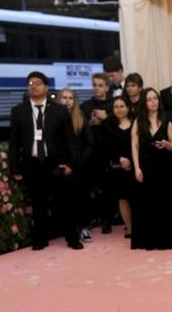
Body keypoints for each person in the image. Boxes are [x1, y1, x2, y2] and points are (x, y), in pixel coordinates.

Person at [9, 72, 79, 250]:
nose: (33, 86)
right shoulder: (18, 111)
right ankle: (40, 239)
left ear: (46, 87)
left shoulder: (59, 110)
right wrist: (15, 168)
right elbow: (14, 143)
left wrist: (71, 164)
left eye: (38, 83)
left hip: (55, 164)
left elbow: (69, 140)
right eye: (30, 83)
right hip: (32, 164)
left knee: (63, 203)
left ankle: (72, 239)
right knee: (37, 204)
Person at [131, 88, 172, 250]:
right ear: (144, 103)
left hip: (165, 168)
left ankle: (168, 239)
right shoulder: (138, 122)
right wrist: (137, 168)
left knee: (166, 204)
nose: (153, 102)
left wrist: (167, 145)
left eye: (155, 98)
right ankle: (149, 240)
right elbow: (134, 146)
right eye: (149, 99)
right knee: (148, 205)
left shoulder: (167, 119)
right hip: (146, 167)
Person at [57, 88, 93, 249]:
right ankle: (69, 233)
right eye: (64, 97)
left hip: (80, 168)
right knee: (65, 203)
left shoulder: (81, 118)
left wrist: (77, 163)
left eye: (71, 98)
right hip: (62, 168)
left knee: (81, 200)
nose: (67, 101)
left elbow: (89, 143)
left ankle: (82, 228)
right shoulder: (54, 119)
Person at [79, 72, 113, 239]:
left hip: (109, 152)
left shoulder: (115, 105)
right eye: (95, 85)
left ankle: (107, 220)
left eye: (100, 85)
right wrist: (91, 124)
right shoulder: (85, 106)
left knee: (107, 187)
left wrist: (106, 118)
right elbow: (80, 128)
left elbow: (118, 125)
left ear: (107, 87)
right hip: (91, 153)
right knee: (90, 187)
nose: (97, 88)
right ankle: (91, 219)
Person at [105, 96, 135, 238]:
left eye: (122, 106)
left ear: (128, 108)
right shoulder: (108, 125)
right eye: (116, 107)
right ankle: (129, 229)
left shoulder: (136, 123)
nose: (119, 109)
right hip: (118, 168)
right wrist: (120, 159)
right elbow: (107, 148)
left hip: (136, 166)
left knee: (137, 198)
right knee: (123, 199)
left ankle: (140, 226)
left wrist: (131, 161)